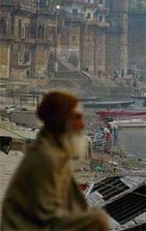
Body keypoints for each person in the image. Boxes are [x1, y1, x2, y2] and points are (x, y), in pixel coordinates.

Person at [1, 91, 109, 230]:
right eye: (76, 118)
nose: (82, 124)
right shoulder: (45, 157)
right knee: (97, 220)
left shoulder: (56, 153)